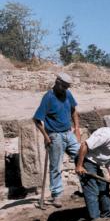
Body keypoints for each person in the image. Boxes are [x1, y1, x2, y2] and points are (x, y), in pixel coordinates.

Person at [33, 73, 81, 208]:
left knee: (81, 157)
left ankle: (87, 186)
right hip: (55, 135)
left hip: (68, 133)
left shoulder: (67, 94)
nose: (66, 89)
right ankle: (56, 195)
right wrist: (46, 137)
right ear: (57, 82)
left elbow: (74, 111)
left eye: (67, 87)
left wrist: (77, 128)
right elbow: (36, 120)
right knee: (56, 167)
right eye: (64, 86)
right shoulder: (48, 97)